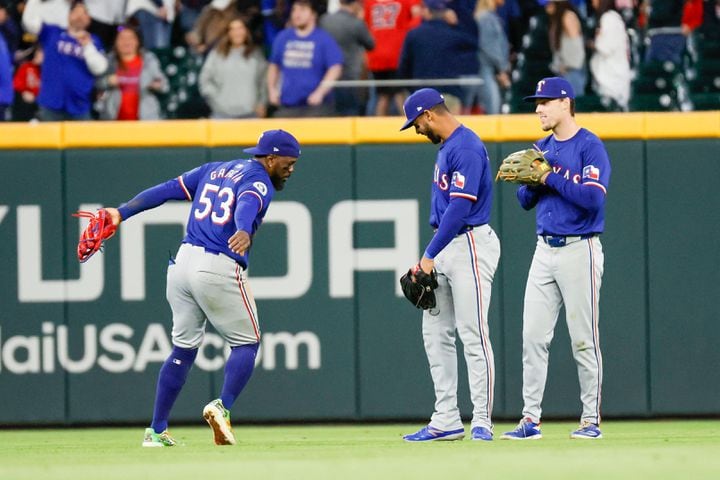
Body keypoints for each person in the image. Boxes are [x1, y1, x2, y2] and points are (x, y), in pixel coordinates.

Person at [97, 129, 301, 447]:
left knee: (183, 349)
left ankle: (156, 430)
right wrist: (244, 229)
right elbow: (247, 202)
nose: (291, 169)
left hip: (181, 265)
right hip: (217, 266)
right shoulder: (259, 178)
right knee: (247, 343)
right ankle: (222, 406)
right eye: (288, 163)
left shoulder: (213, 169)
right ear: (270, 158)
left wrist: (121, 212)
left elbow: (165, 190)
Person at [501, 76, 610, 440]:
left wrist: (549, 176)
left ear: (566, 103)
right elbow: (523, 201)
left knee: (583, 339)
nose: (539, 108)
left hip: (581, 247)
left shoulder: (590, 146)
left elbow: (593, 198)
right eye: (537, 102)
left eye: (545, 101)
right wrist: (532, 181)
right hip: (544, 249)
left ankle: (590, 420)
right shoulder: (541, 147)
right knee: (532, 336)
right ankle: (530, 420)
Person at [399, 88, 501, 442]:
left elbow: (459, 209)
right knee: (436, 333)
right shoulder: (450, 147)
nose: (416, 130)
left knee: (472, 333)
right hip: (447, 245)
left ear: (428, 115)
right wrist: (431, 255)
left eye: (416, 123)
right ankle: (446, 419)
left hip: (469, 242)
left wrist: (427, 256)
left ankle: (483, 420)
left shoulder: (466, 146)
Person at [22, 0, 108, 121]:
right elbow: (29, 23)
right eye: (76, 12)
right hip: (50, 104)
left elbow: (100, 68)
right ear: (68, 15)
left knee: (83, 140)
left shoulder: (94, 41)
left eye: (84, 13)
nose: (80, 16)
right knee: (47, 140)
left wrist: (88, 46)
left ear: (89, 19)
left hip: (80, 106)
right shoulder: (53, 32)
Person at [398, 0, 479, 112]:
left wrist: (411, 89)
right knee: (451, 129)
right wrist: (457, 25)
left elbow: (403, 66)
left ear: (427, 11)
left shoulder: (414, 34)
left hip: (421, 95)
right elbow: (473, 44)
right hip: (448, 94)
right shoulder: (452, 34)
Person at [267, 0, 343, 117]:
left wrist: (320, 92)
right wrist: (272, 90)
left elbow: (335, 68)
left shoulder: (324, 39)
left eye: (302, 10)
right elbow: (274, 65)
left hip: (316, 107)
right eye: (294, 10)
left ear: (313, 14)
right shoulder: (283, 37)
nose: (297, 14)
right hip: (287, 105)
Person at [199, 16, 268, 119]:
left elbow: (264, 81)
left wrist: (262, 104)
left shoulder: (255, 54)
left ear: (246, 31)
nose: (237, 32)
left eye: (240, 28)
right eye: (233, 29)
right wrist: (217, 101)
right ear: (228, 33)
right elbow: (204, 80)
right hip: (222, 116)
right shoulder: (217, 54)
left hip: (250, 115)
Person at [96, 24, 168, 121]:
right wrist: (107, 81)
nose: (126, 42)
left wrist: (157, 85)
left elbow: (165, 85)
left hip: (145, 121)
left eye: (130, 38)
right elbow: (95, 84)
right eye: (121, 38)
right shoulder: (107, 60)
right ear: (115, 42)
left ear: (137, 41)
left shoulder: (149, 60)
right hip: (112, 121)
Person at [363, 0, 421, 115]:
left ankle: (378, 127)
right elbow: (417, 18)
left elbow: (365, 24)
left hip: (376, 54)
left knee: (383, 95)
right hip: (397, 53)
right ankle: (409, 123)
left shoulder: (369, 3)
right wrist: (404, 31)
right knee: (399, 93)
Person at [319, 0, 376, 116]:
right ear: (355, 4)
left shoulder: (324, 20)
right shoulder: (356, 23)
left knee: (329, 115)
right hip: (351, 77)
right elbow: (371, 44)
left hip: (326, 77)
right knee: (351, 114)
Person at [589, 0, 631, 110]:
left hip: (613, 75)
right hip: (611, 72)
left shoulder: (609, 19)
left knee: (615, 108)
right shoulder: (611, 18)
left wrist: (593, 43)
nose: (593, 3)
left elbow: (606, 48)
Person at [474, 0, 511, 114]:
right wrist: (502, 69)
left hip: (492, 70)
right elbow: (489, 46)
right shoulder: (486, 18)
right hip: (487, 69)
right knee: (492, 109)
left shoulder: (490, 17)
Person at [544, 0, 587, 97]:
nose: (546, 6)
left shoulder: (568, 16)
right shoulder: (556, 19)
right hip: (563, 70)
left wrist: (569, 65)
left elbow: (577, 46)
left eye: (549, 3)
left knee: (573, 106)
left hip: (572, 71)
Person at [12, 45, 43, 121]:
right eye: (37, 52)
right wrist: (24, 91)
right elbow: (17, 84)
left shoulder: (50, 72)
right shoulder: (26, 66)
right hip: (25, 104)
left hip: (41, 104)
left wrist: (36, 97)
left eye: (41, 52)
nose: (38, 54)